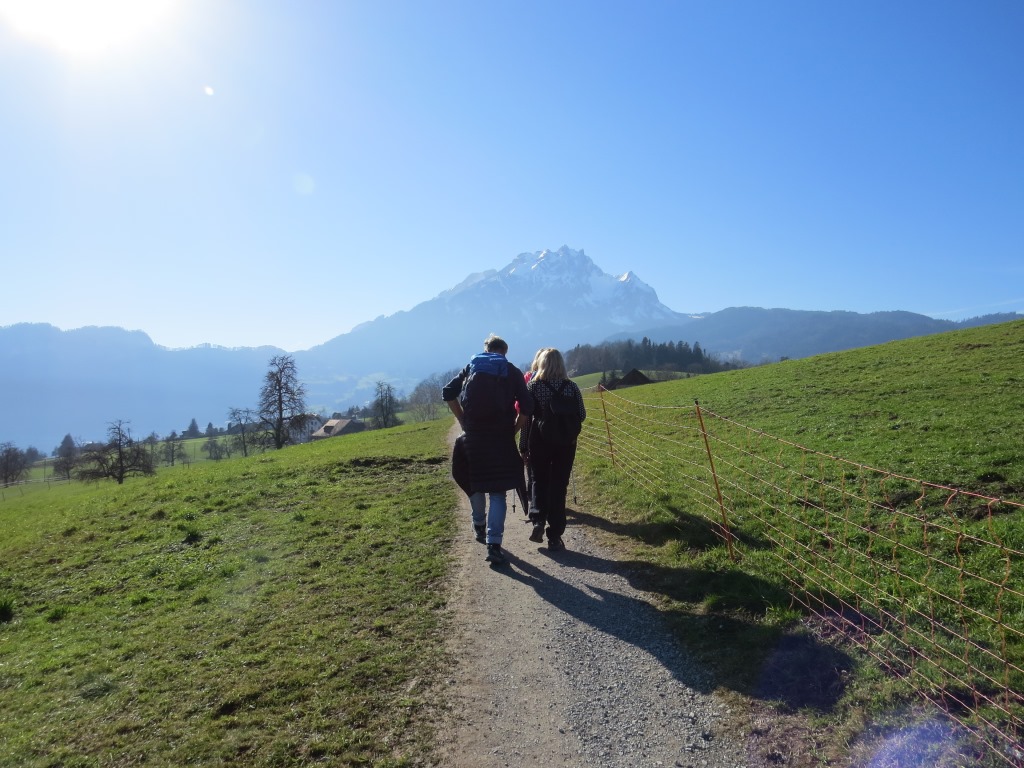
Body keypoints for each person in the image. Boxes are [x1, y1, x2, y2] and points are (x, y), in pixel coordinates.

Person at [443, 334, 533, 565]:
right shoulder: (511, 371)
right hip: (501, 438)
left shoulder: (471, 368)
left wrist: (462, 420)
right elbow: (527, 407)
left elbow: (448, 393)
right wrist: (514, 429)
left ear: (486, 349)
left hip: (473, 436)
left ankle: (479, 524)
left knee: (475, 481)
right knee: (497, 492)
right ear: (504, 352)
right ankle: (494, 544)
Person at [519, 348, 586, 551]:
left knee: (538, 480)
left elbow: (526, 419)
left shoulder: (533, 386)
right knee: (559, 485)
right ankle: (555, 535)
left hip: (539, 440)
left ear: (541, 364)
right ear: (561, 364)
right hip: (566, 442)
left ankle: (538, 521)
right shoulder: (571, 387)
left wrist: (523, 446)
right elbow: (581, 415)